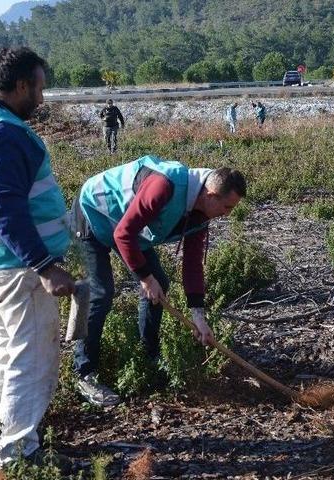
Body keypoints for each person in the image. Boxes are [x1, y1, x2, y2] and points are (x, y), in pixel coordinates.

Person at [0, 47, 76, 473]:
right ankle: (18, 453)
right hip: (20, 268)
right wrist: (45, 266)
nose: (41, 98)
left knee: (9, 349)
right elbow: (6, 210)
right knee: (32, 356)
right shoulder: (4, 134)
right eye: (38, 88)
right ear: (21, 85)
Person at [73, 159, 246, 406]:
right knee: (100, 293)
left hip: (126, 226)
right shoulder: (164, 186)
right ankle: (84, 373)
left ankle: (149, 356)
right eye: (227, 207)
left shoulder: (200, 214)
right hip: (93, 212)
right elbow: (123, 234)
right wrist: (145, 278)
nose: (227, 214)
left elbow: (193, 263)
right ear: (210, 195)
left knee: (160, 284)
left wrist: (198, 315)